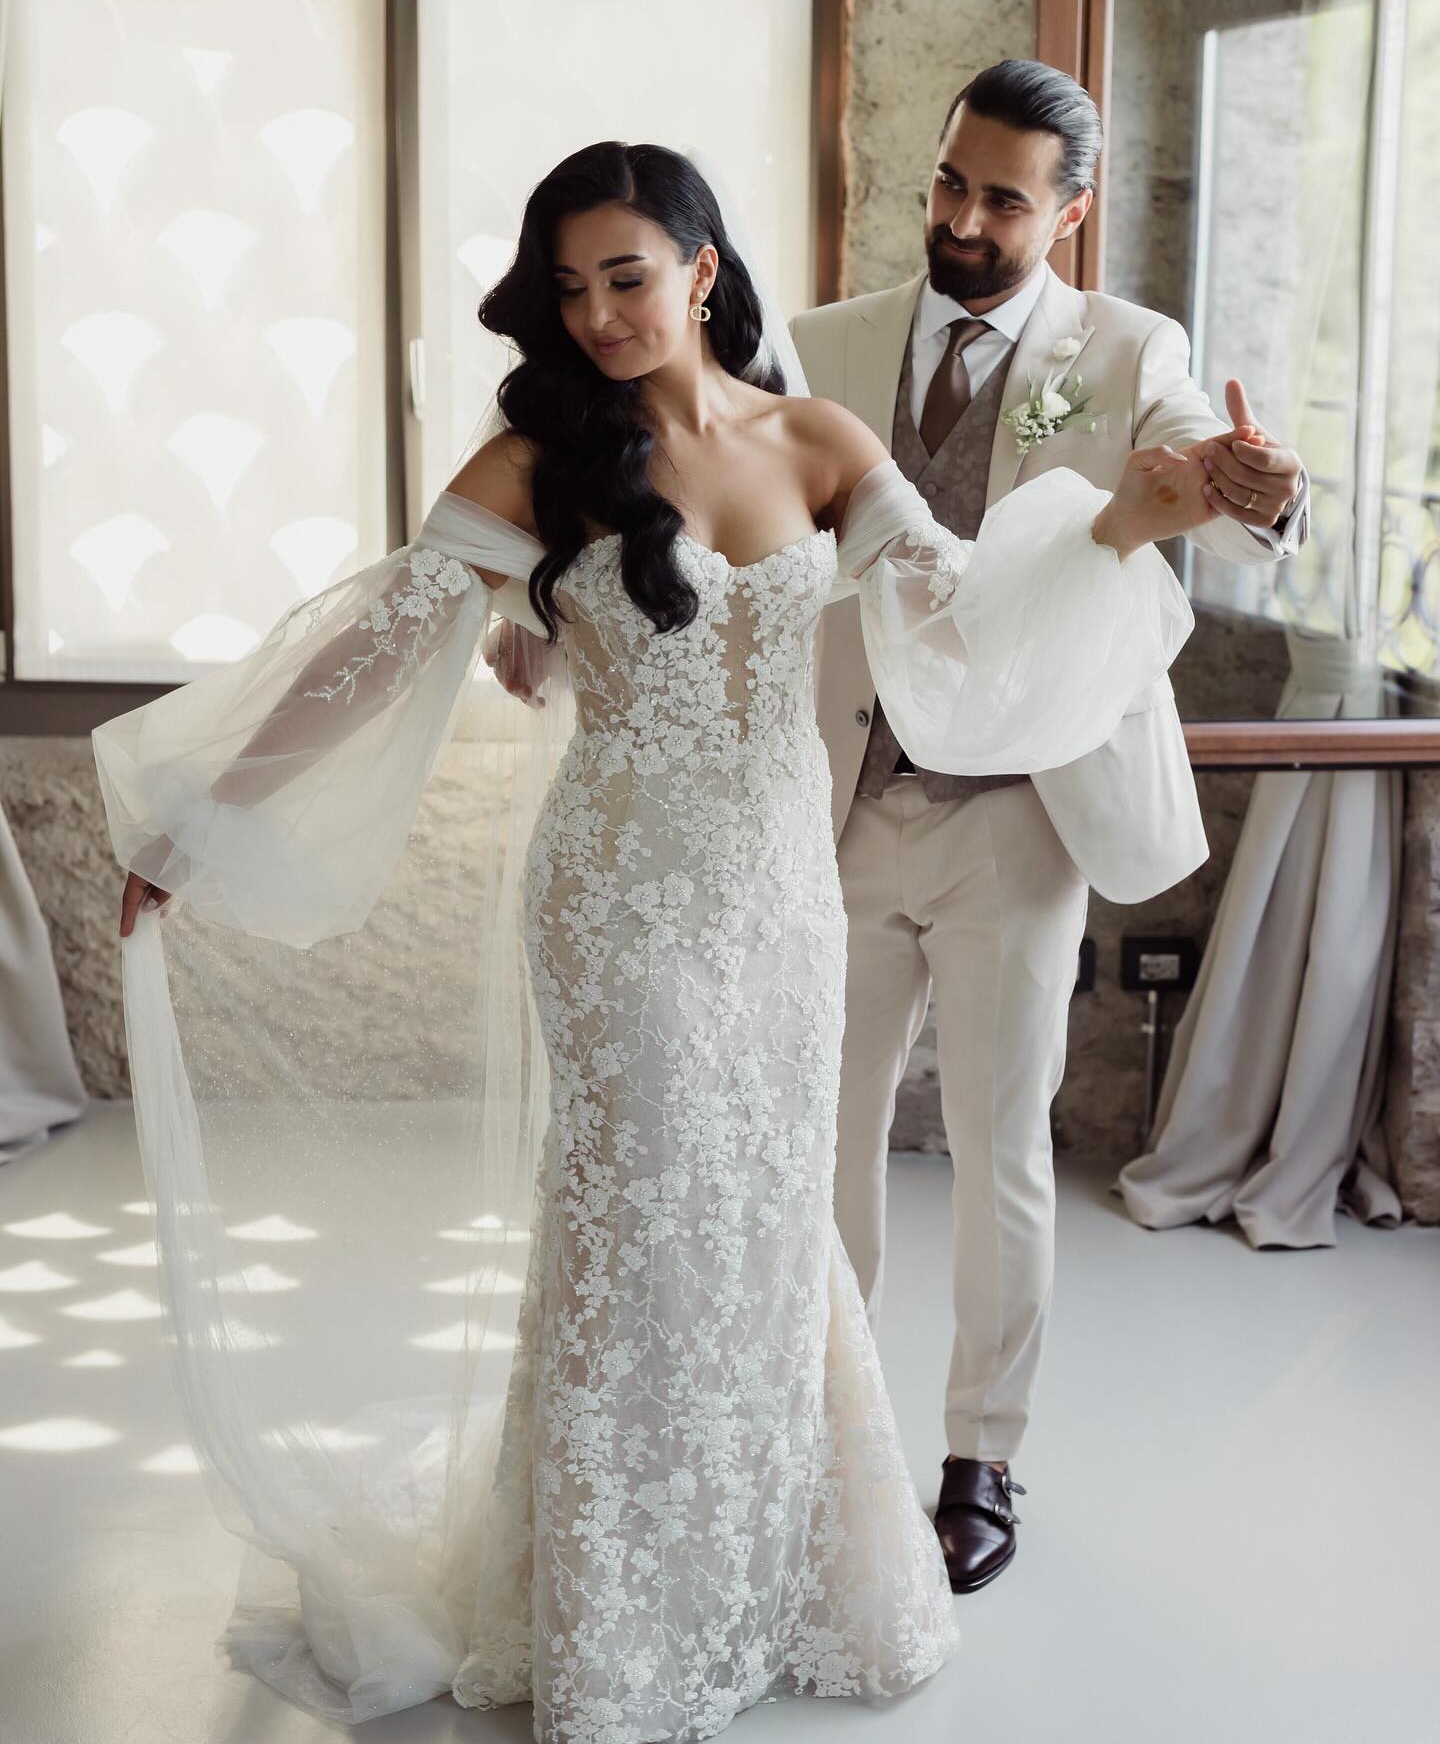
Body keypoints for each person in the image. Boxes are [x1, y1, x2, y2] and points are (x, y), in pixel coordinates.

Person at [101, 139, 1212, 1740]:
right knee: (641, 1231)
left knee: (770, 1217)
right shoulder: (535, 465)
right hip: (622, 903)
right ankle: (621, 1604)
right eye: (568, 288)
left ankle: (770, 1570)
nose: (600, 314)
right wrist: (194, 819)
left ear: (702, 269)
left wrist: (1123, 526)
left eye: (628, 276)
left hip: (782, 899)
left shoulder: (821, 439)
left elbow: (964, 626)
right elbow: (369, 655)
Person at [789, 59, 1310, 1595]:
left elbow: (1188, 473)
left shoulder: (1127, 346)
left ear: (1069, 212)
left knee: (1003, 1143)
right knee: (825, 1138)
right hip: (839, 795)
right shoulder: (826, 343)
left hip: (1016, 819)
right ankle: (832, 1429)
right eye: (949, 183)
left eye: (1001, 199)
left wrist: (1256, 495)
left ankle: (982, 1454)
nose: (960, 218)